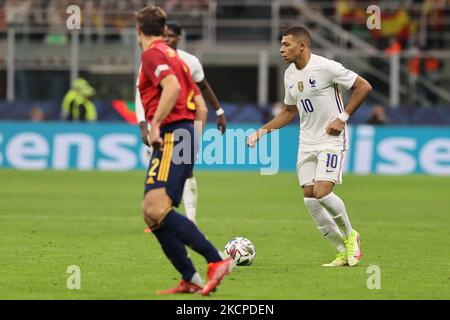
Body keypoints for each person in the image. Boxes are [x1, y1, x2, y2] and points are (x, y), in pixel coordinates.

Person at [247, 26, 372, 267]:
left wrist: (342, 117)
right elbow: (288, 111)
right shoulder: (290, 75)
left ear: (302, 46)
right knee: (310, 200)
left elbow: (364, 86)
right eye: (281, 45)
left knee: (322, 192)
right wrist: (262, 132)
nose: (281, 49)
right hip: (307, 141)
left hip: (331, 138)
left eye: (287, 44)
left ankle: (351, 236)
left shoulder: (326, 67)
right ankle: (341, 251)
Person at [134, 6, 232, 295]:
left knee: (155, 208)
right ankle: (190, 278)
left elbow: (172, 87)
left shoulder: (153, 55)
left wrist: (154, 125)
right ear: (164, 29)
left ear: (138, 30)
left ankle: (216, 260)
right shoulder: (177, 58)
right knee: (151, 213)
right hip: (185, 135)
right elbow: (200, 105)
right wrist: (193, 143)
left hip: (172, 135)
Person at [136, 21, 227, 225]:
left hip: (181, 123)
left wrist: (219, 112)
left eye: (171, 35)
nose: (167, 39)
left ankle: (189, 218)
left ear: (179, 38)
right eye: (164, 35)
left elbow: (202, 88)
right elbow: (139, 94)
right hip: (158, 125)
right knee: (159, 171)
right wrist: (144, 125)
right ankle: (160, 214)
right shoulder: (150, 58)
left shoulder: (189, 61)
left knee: (186, 169)